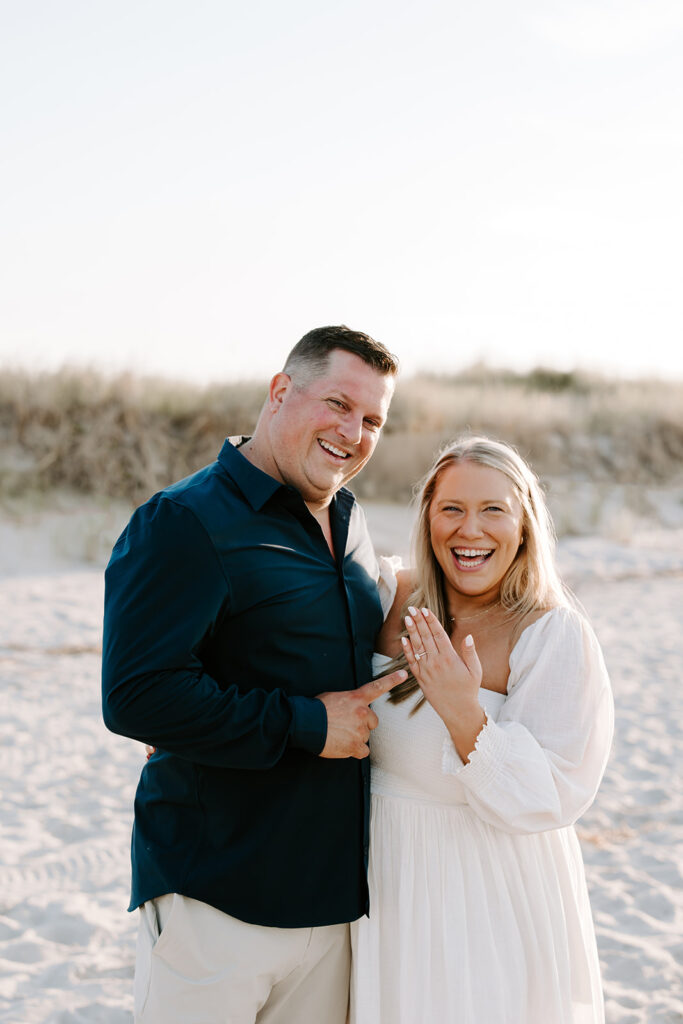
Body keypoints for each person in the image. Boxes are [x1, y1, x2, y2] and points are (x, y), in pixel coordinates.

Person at [101, 325, 406, 1024]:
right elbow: (136, 694)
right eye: (337, 402)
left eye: (371, 420)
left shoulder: (351, 522)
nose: (352, 431)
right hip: (215, 899)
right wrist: (308, 724)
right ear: (279, 392)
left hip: (329, 908)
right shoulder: (184, 521)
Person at [350, 435, 614, 1024]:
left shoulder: (553, 634)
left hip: (488, 894)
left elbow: (551, 796)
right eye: (452, 509)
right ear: (427, 518)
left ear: (524, 523)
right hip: (388, 884)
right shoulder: (391, 596)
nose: (470, 531)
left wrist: (462, 710)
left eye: (493, 509)